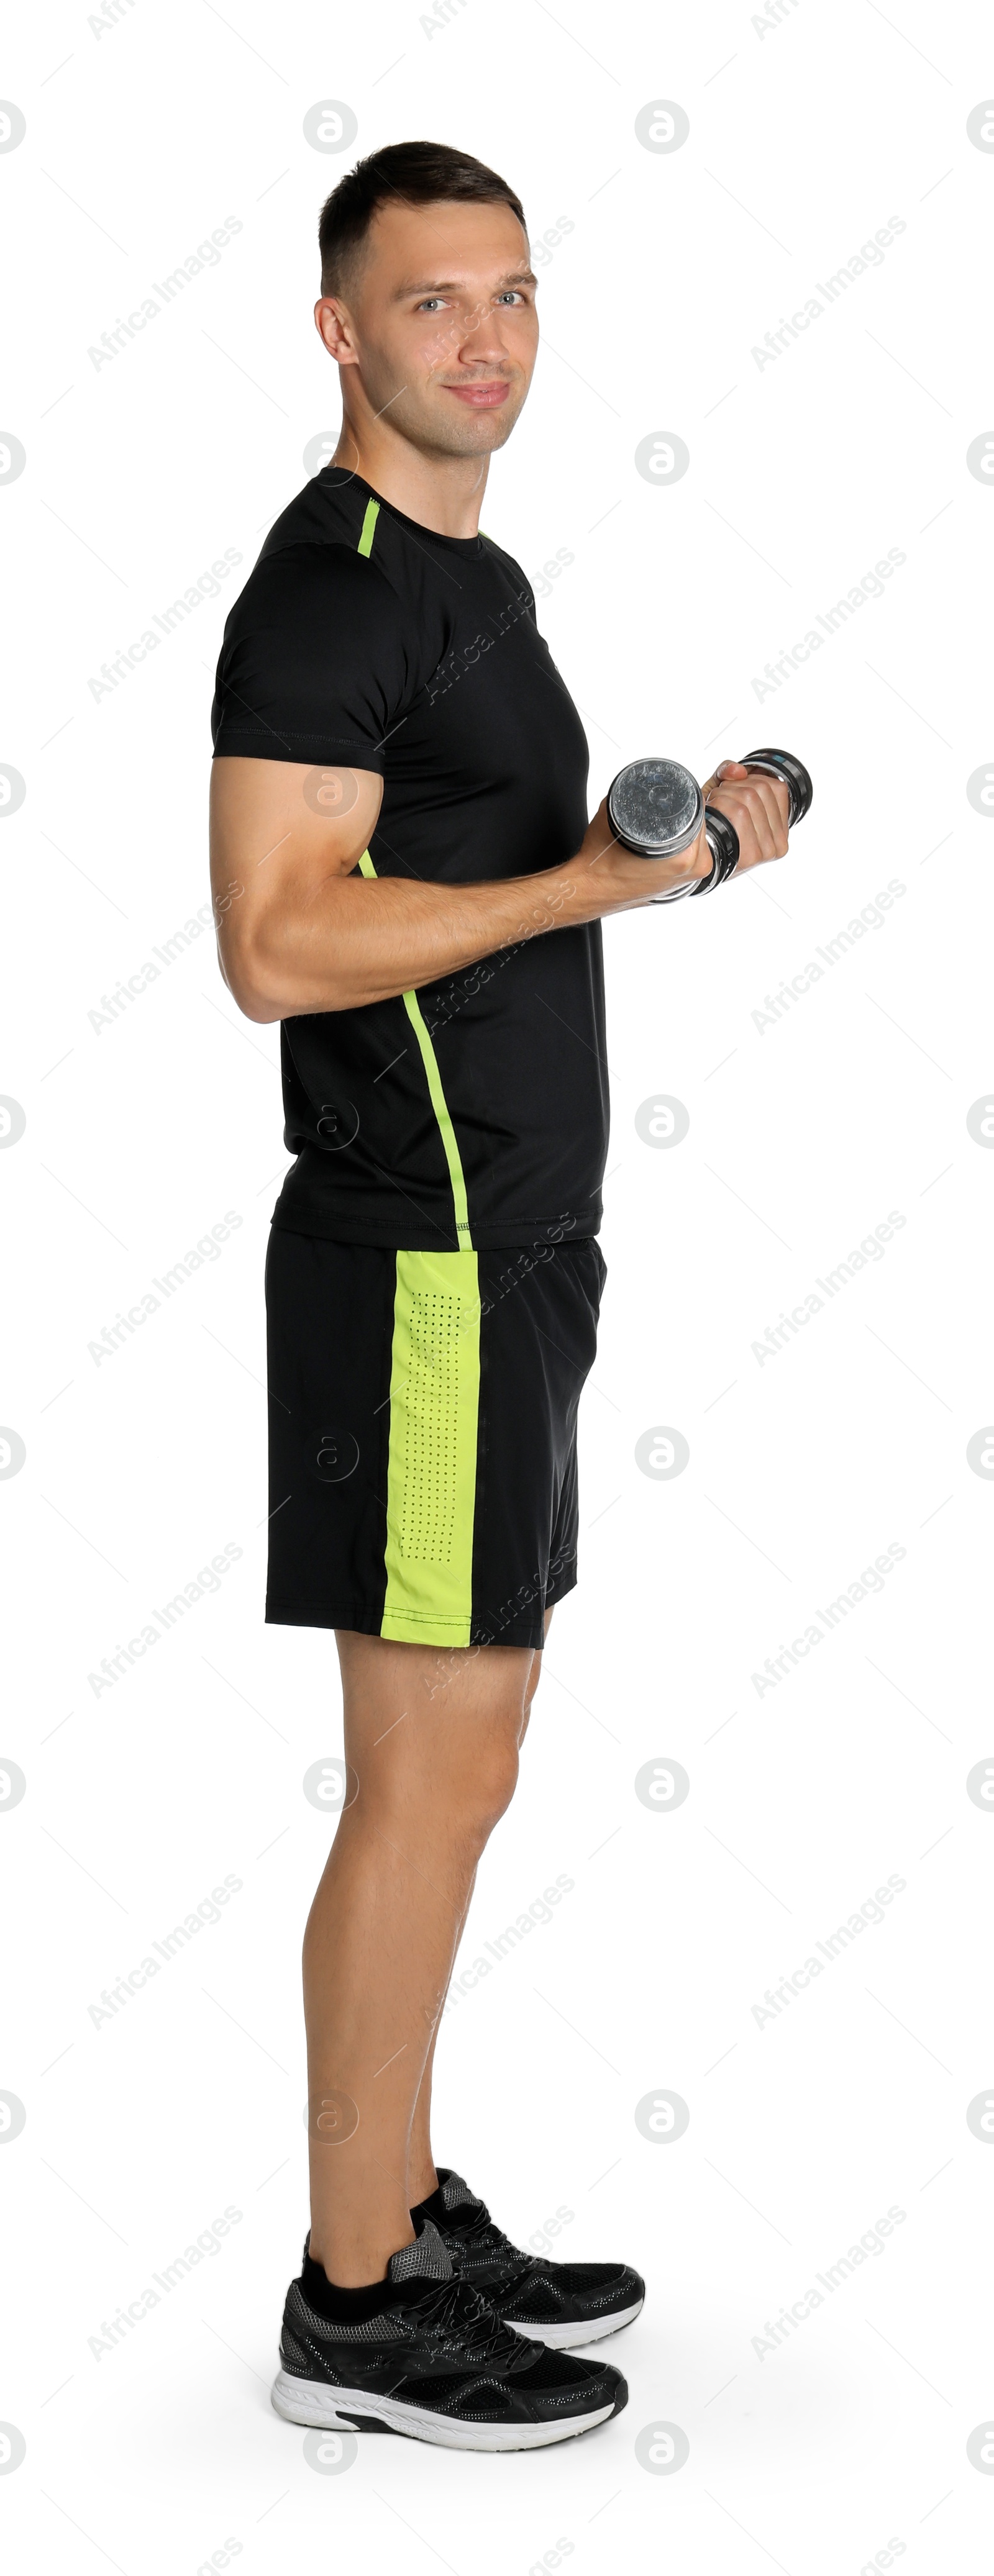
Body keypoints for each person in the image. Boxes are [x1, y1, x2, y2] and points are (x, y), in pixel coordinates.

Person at [209, 138, 791, 2452]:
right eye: (434, 302)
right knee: (421, 1787)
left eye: (516, 296)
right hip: (417, 1262)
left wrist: (668, 853)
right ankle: (355, 2303)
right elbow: (274, 944)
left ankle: (397, 2198)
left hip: (510, 1252)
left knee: (467, 1760)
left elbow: (484, 870)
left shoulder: (479, 569)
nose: (487, 340)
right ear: (341, 330)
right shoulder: (329, 594)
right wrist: (577, 886)